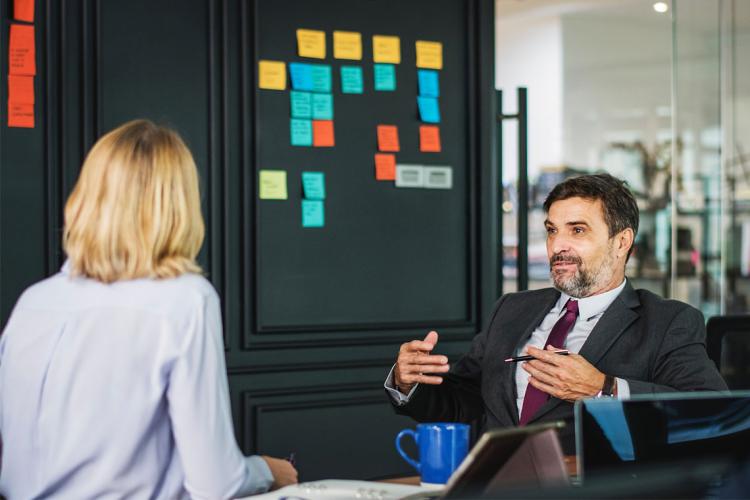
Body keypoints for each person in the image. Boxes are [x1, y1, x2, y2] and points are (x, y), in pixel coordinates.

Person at [0, 120, 297, 498]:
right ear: (180, 204)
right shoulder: (185, 299)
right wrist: (265, 471)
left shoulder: (35, 301)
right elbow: (215, 485)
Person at [385, 173, 727, 453]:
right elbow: (468, 403)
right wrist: (409, 382)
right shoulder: (511, 308)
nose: (557, 245)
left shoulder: (668, 322)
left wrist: (602, 389)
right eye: (552, 230)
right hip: (496, 487)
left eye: (577, 230)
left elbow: (711, 413)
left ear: (621, 242)